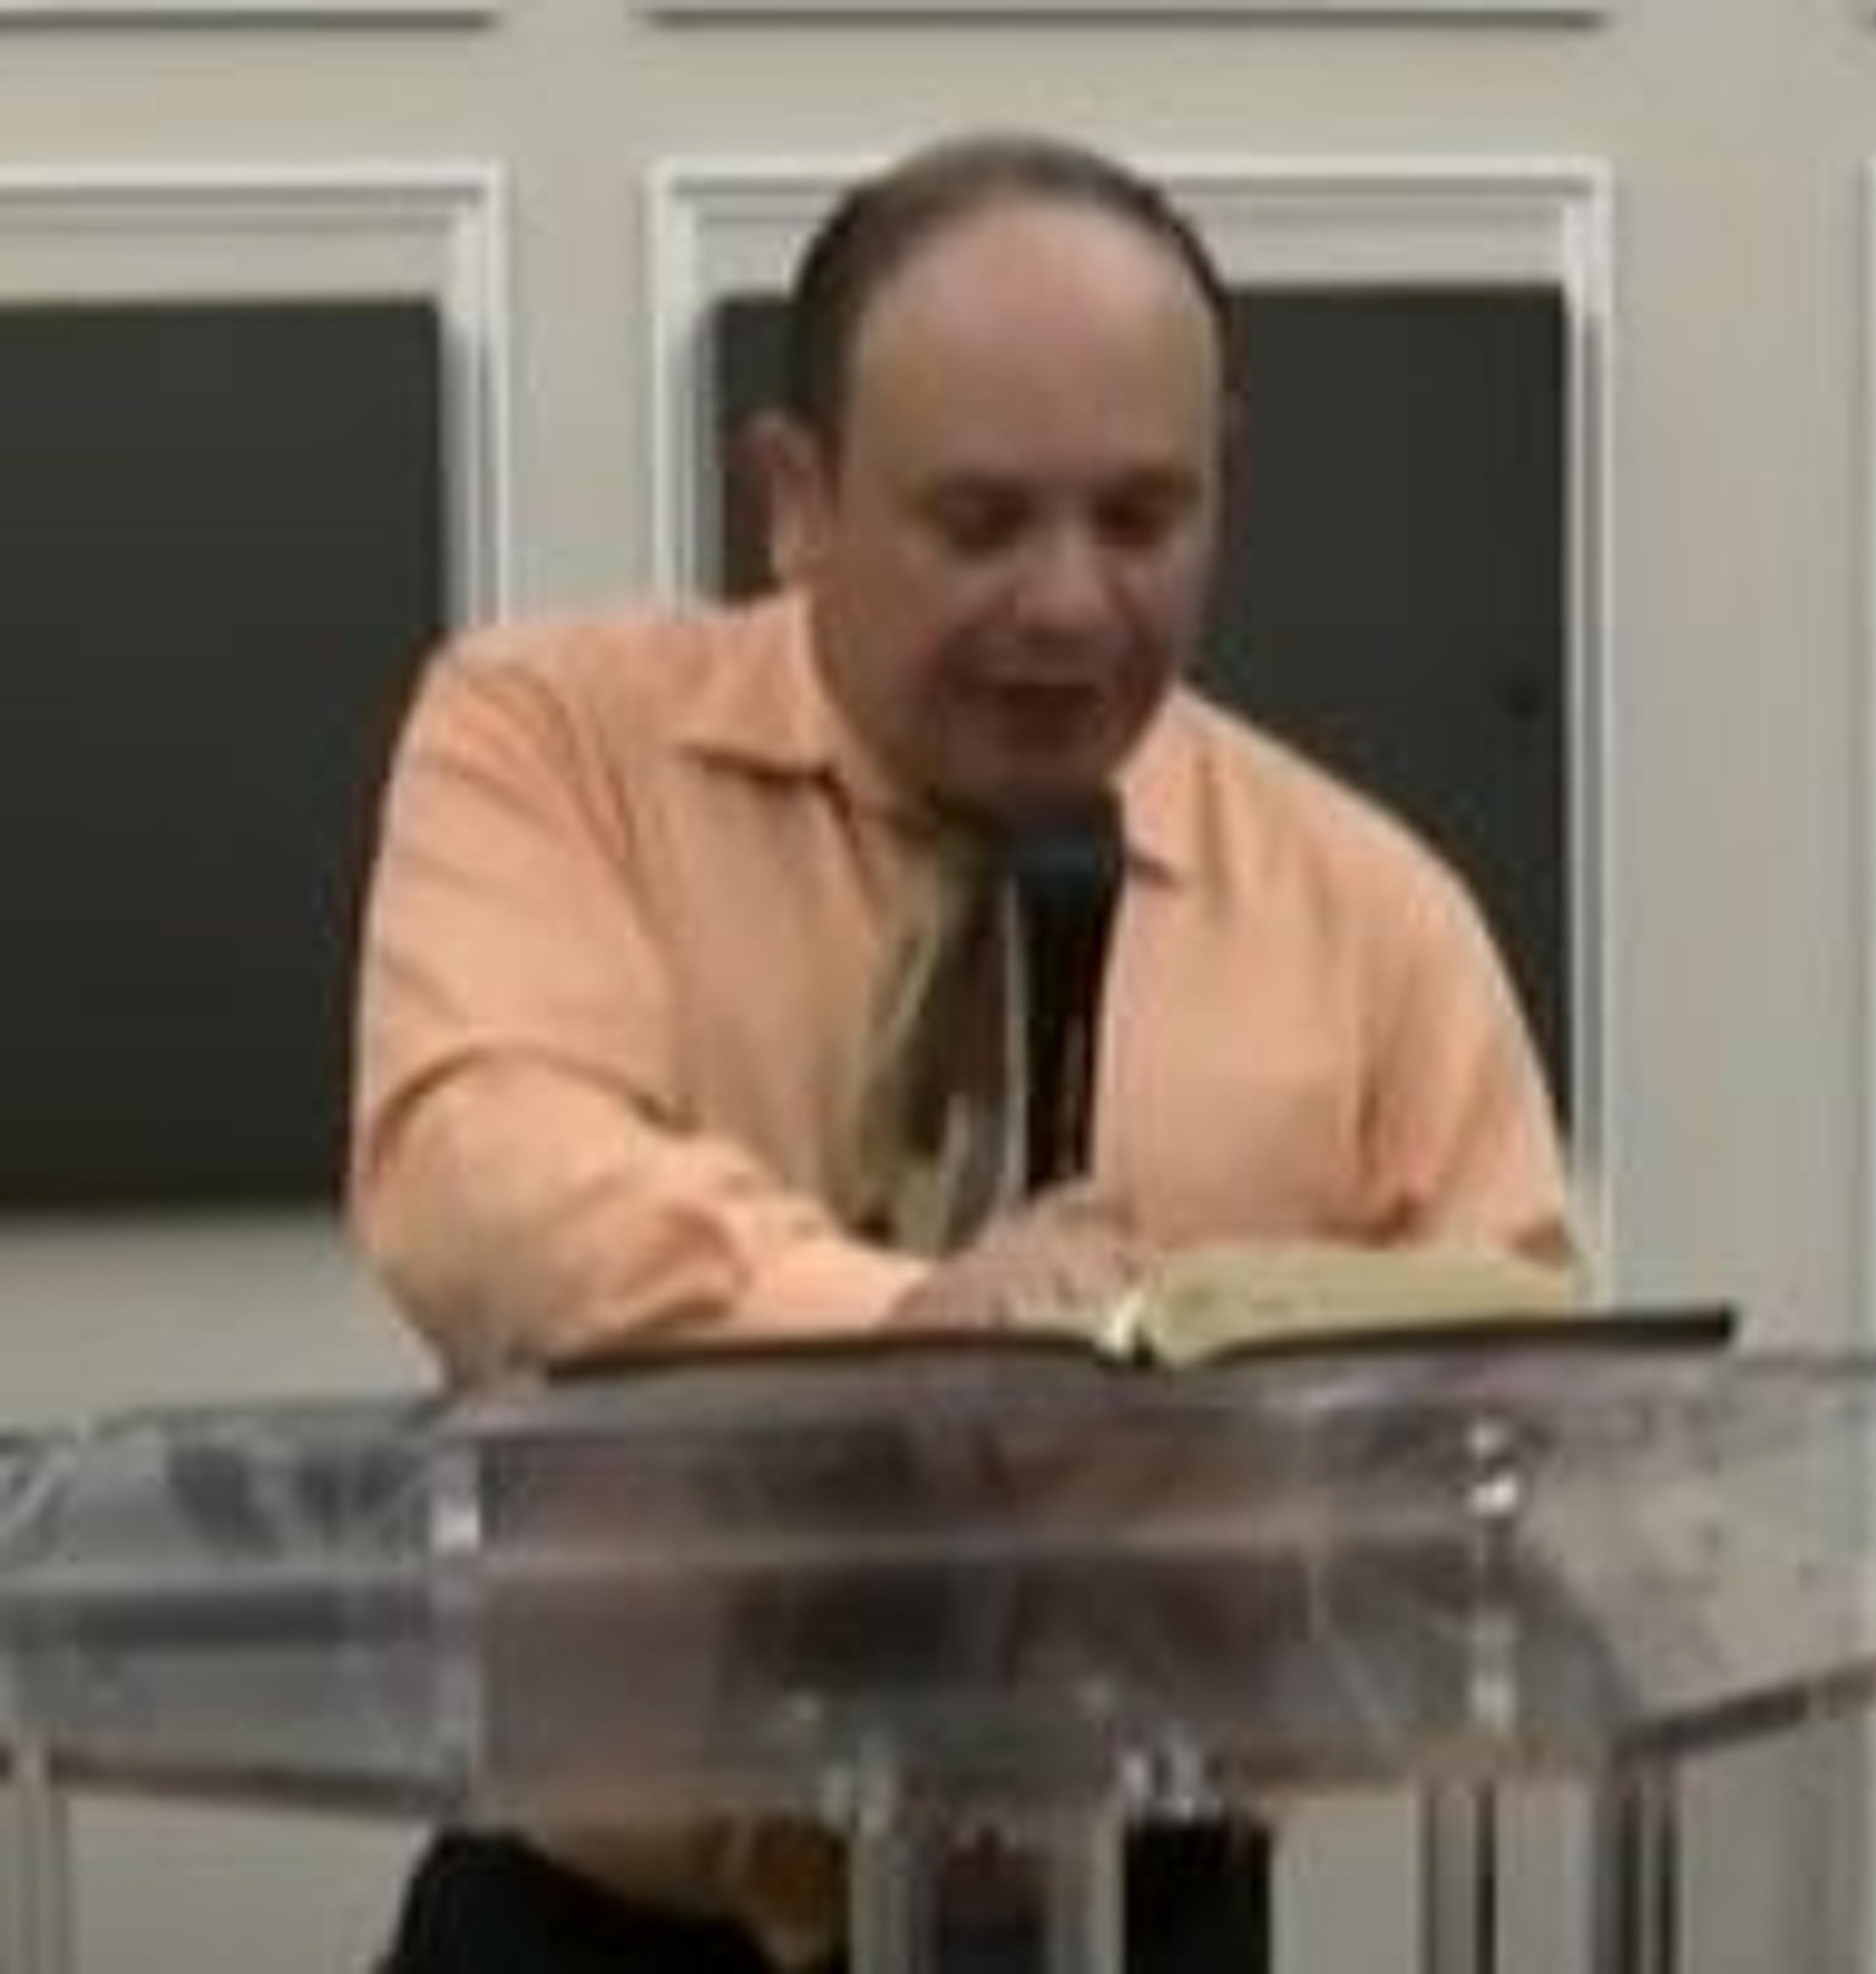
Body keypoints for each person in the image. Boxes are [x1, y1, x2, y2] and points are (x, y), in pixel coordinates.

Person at [349, 130, 1575, 1974]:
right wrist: (909, 1332)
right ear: (797, 499)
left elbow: (1514, 1424)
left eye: (1143, 519)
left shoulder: (1368, 910)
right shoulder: (549, 745)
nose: (1071, 604)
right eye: (983, 523)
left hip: (1139, 1910)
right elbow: (483, 1174)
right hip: (601, 1928)